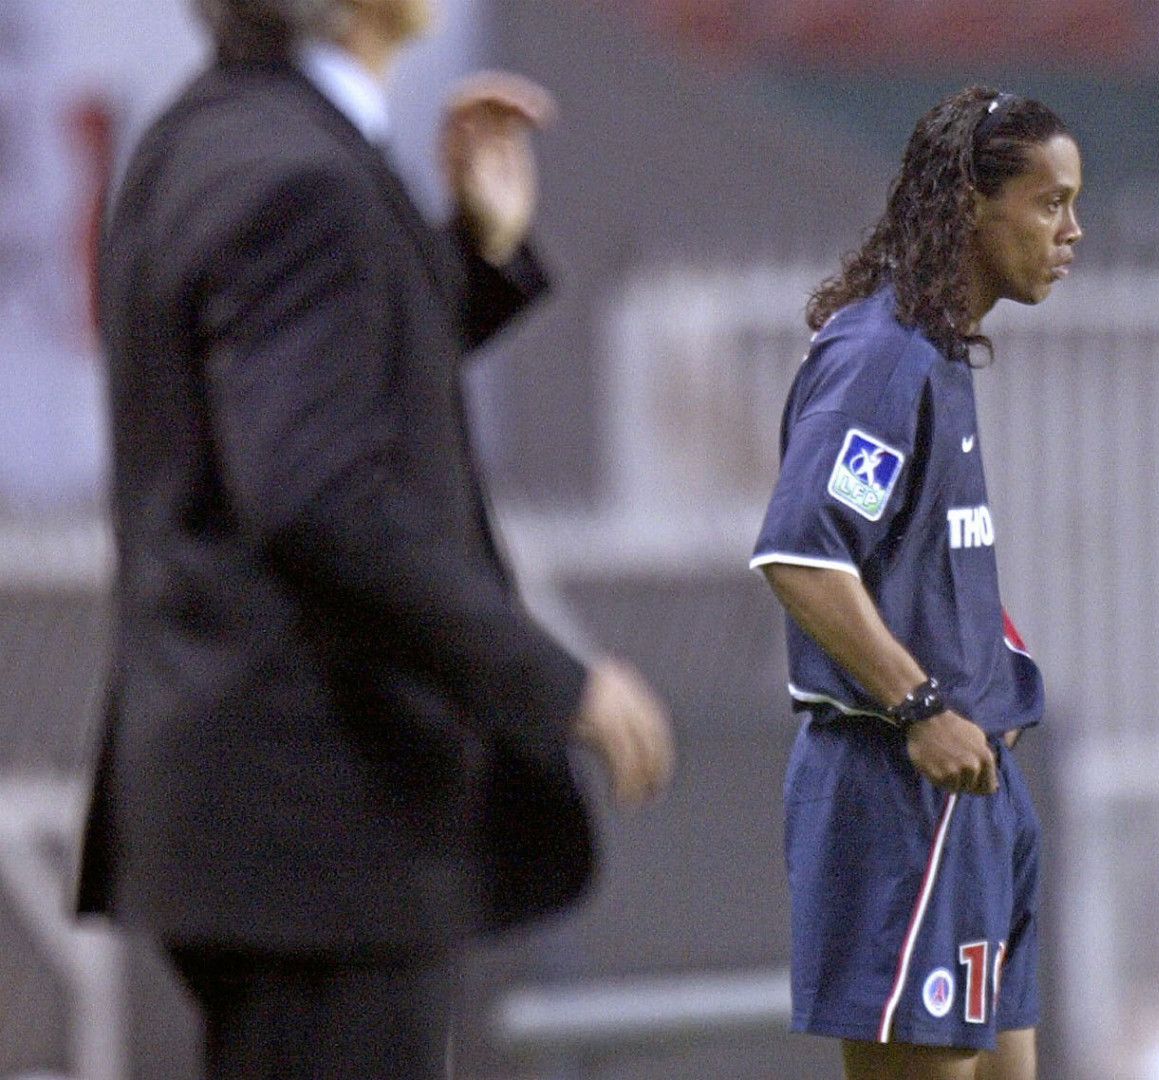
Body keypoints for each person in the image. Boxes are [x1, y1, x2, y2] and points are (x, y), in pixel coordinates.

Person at [74, 1, 675, 1076]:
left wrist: (472, 254)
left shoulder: (206, 135)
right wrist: (555, 682)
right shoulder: (305, 177)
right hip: (321, 830)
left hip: (251, 822)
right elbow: (321, 500)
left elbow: (308, 406)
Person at [749, 86, 1080, 1080]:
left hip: (975, 793)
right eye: (1050, 203)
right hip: (899, 791)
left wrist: (994, 676)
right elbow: (802, 554)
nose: (1073, 231)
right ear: (972, 204)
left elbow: (925, 564)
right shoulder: (881, 355)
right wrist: (923, 704)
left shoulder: (935, 353)